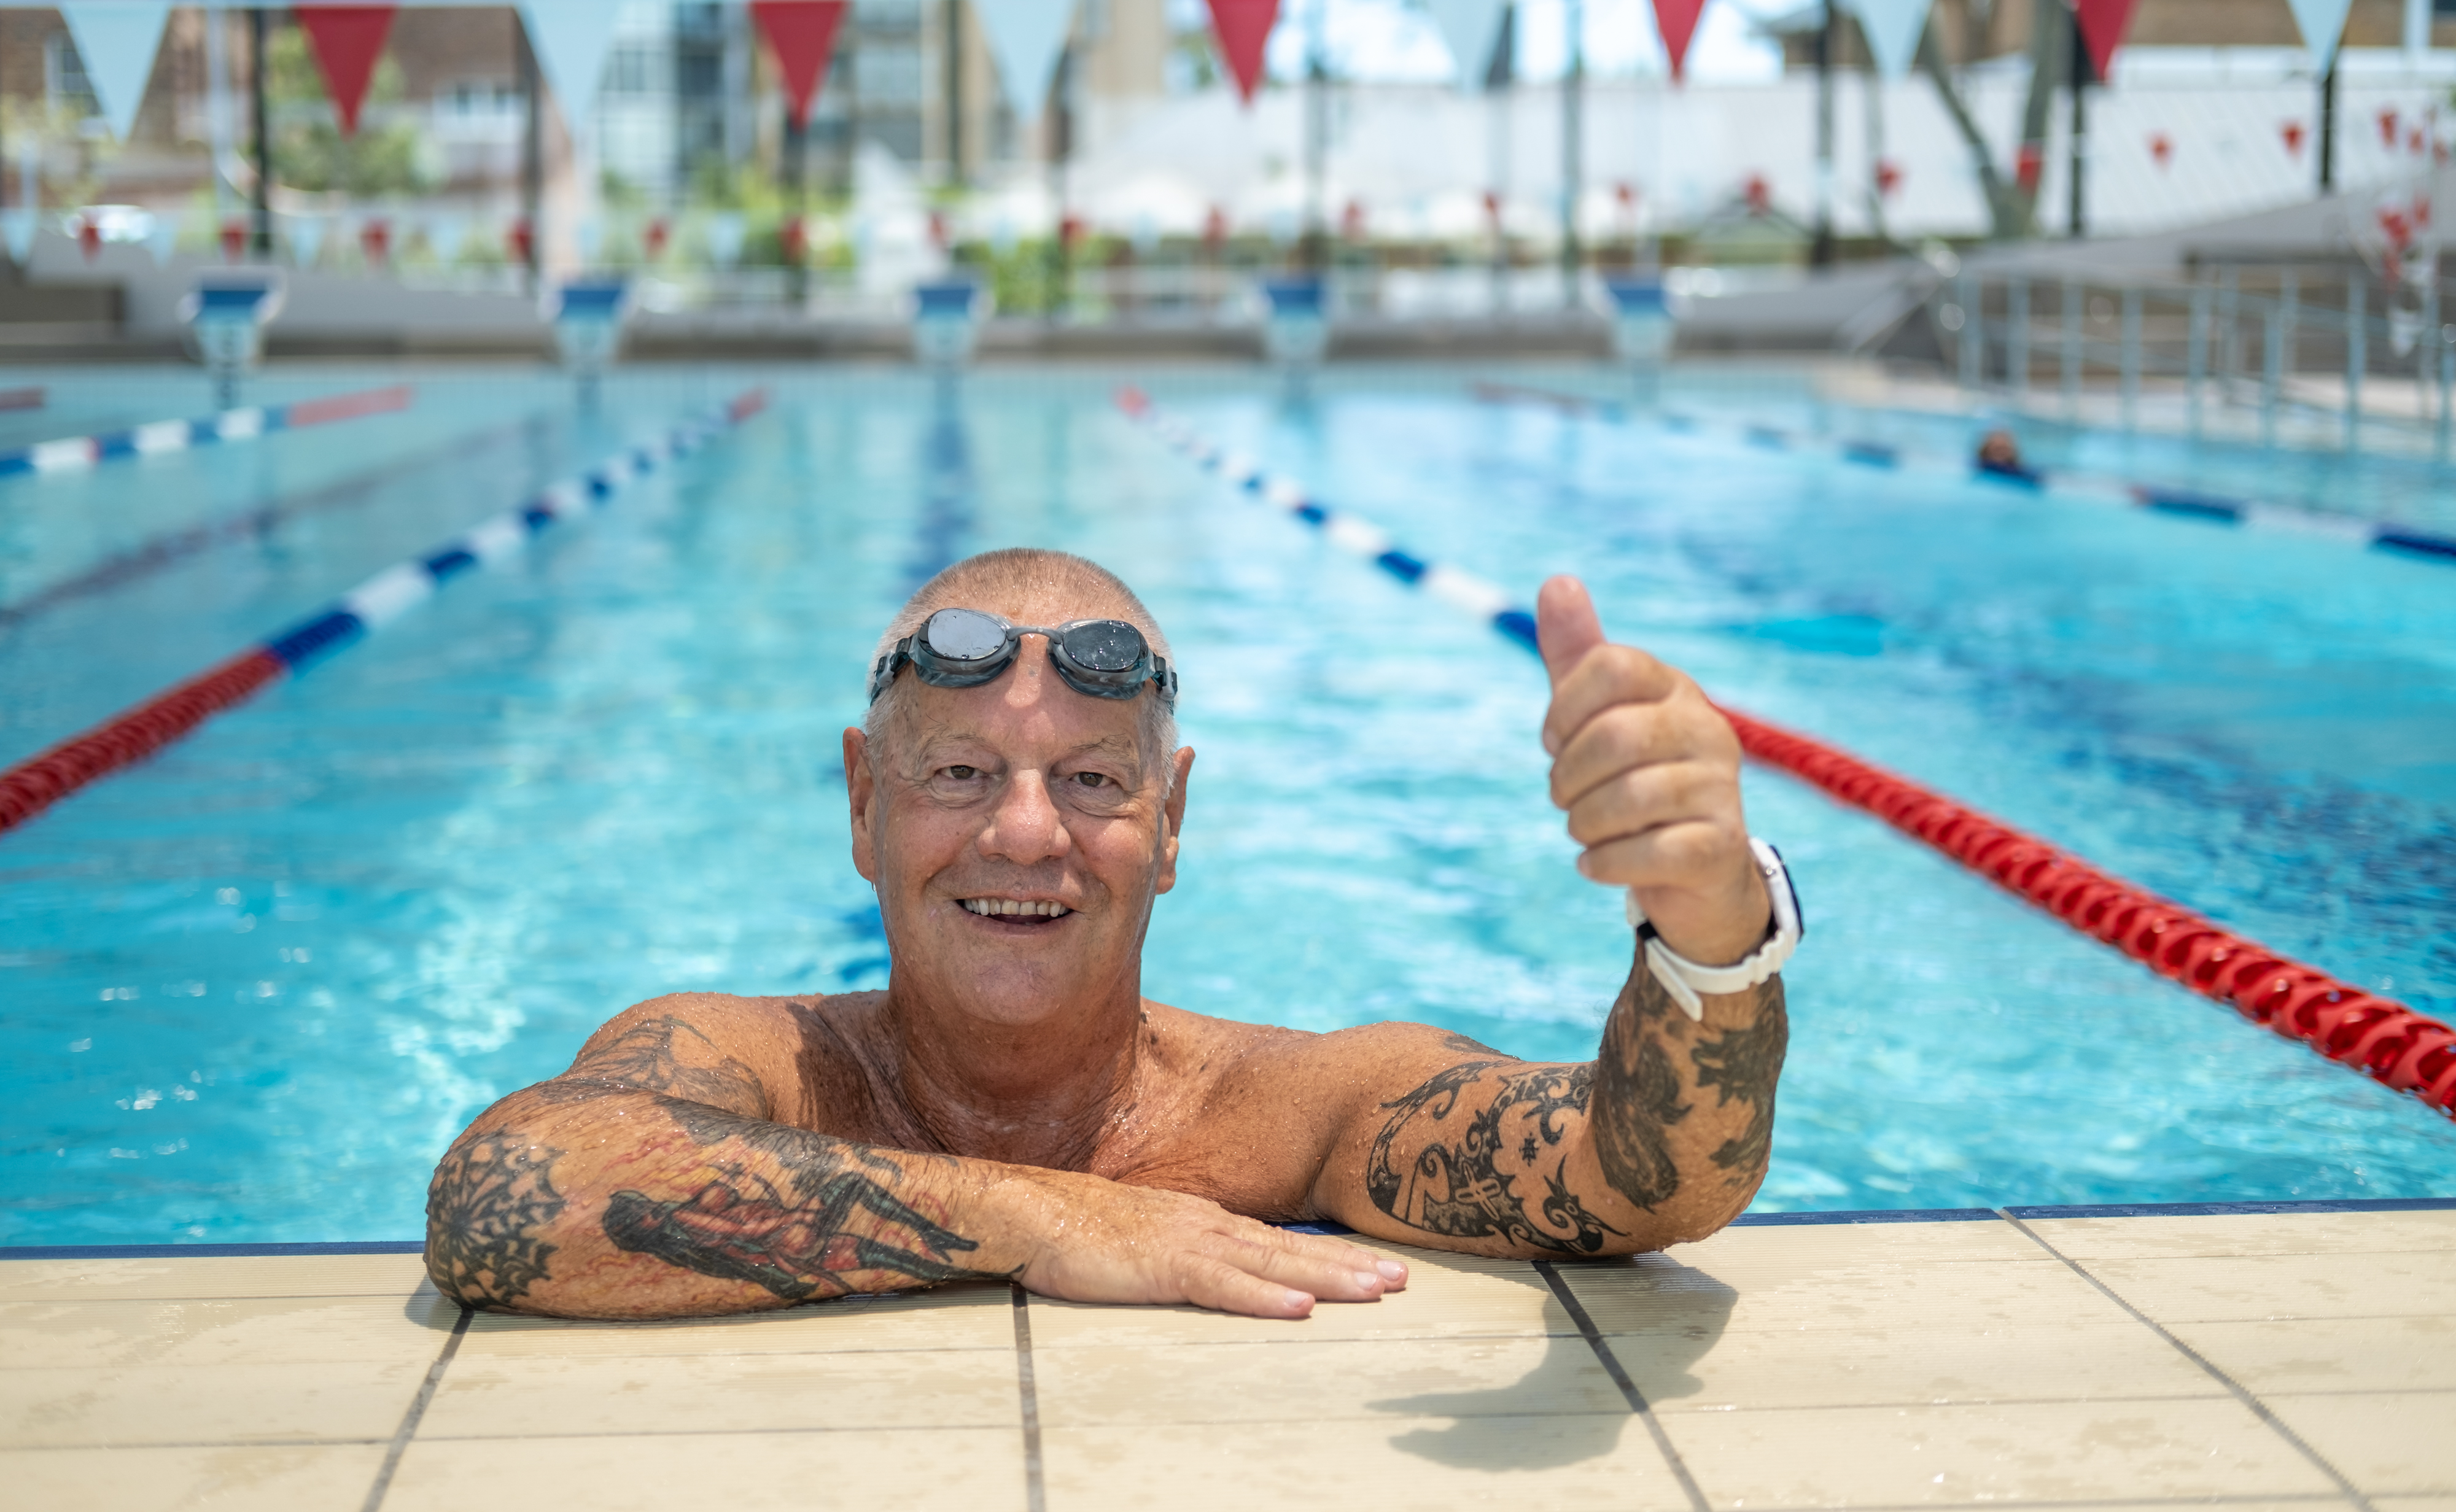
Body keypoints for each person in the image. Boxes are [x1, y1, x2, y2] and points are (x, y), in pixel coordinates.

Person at [423, 549, 1797, 1321]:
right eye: (958, 771)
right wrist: (1037, 1216)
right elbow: (505, 1194)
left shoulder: (1290, 1108)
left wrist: (1710, 938)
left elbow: (1644, 1183)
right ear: (861, 802)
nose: (1025, 832)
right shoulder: (759, 1059)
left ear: (1173, 814)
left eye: (1090, 779)